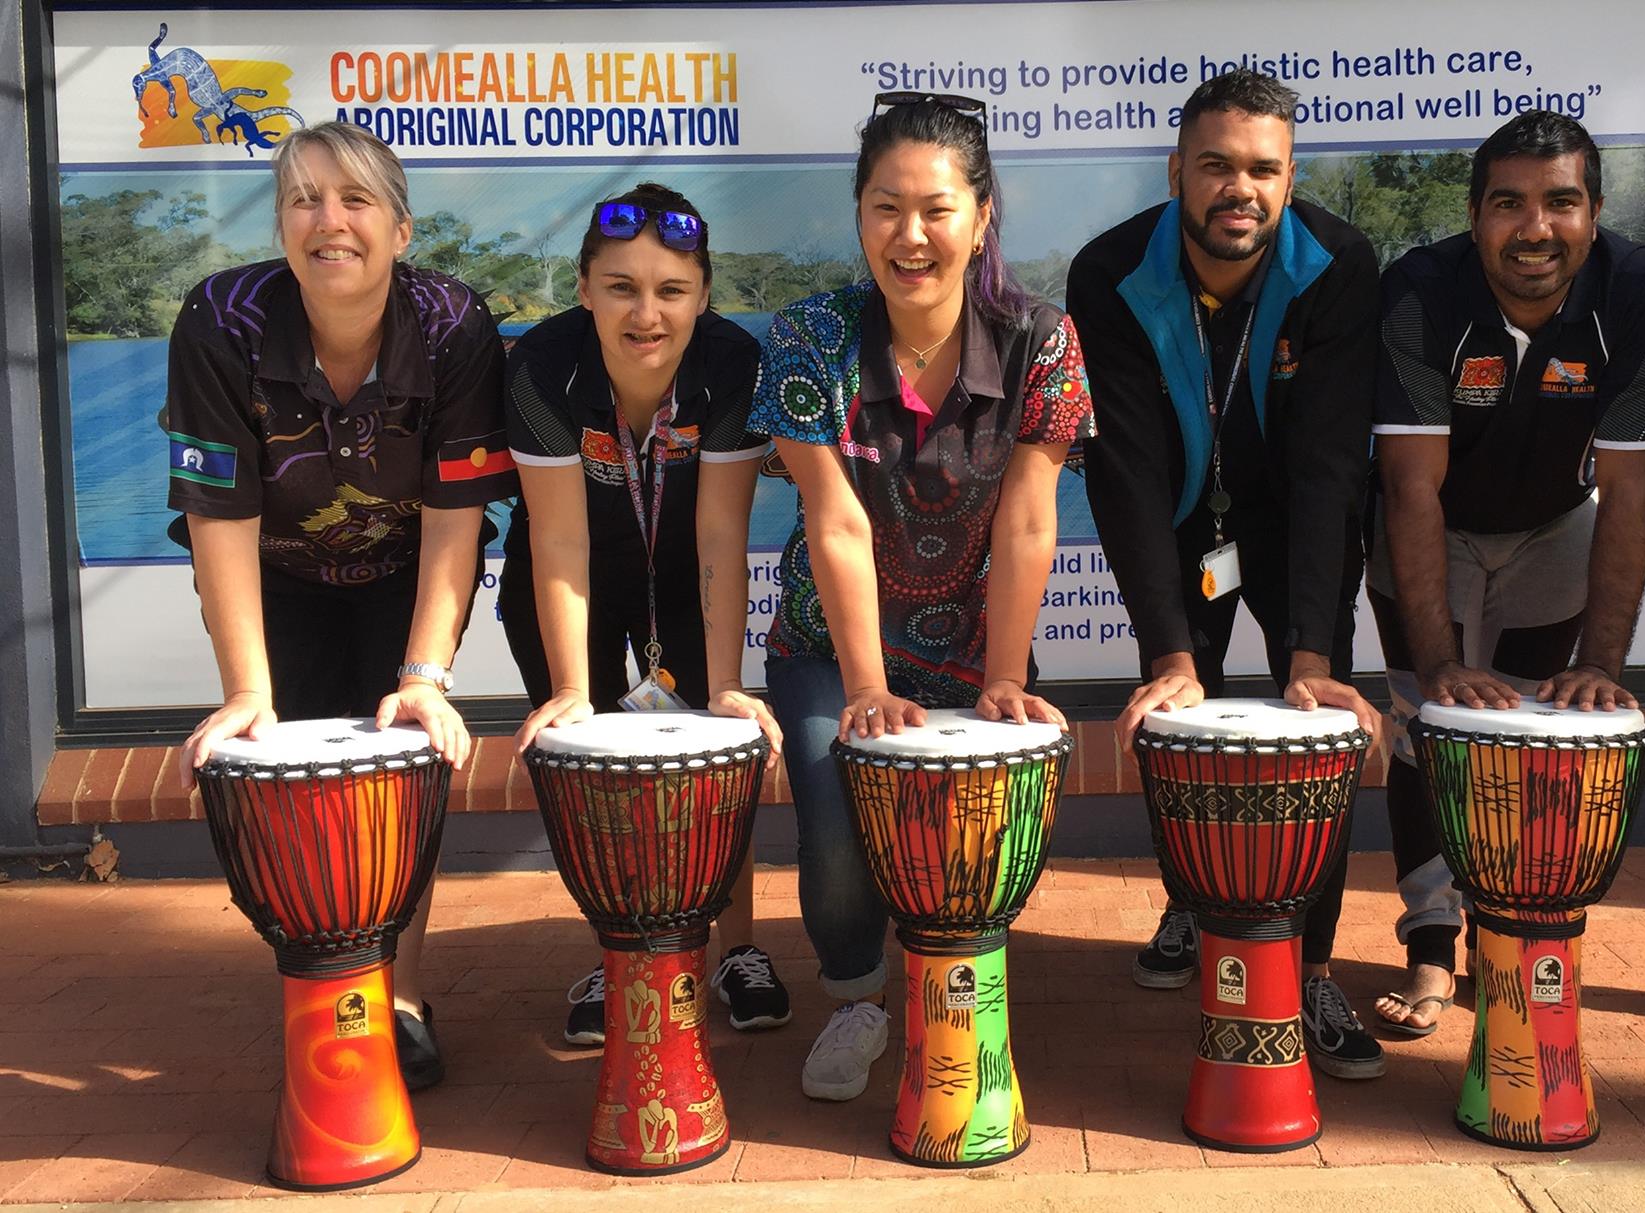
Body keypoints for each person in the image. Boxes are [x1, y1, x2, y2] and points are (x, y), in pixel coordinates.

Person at [749, 91, 1093, 1101]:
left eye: (936, 208)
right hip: (827, 639)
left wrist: (1000, 676)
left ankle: (955, 995)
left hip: (967, 640)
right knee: (835, 819)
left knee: (976, 832)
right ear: (857, 214)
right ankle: (858, 997)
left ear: (981, 215)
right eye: (884, 207)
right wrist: (862, 691)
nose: (910, 235)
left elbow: (1030, 522)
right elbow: (834, 519)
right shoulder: (810, 337)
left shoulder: (1042, 339)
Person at [170, 121, 516, 1090]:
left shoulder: (453, 323)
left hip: (407, 569)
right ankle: (326, 985)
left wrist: (424, 675)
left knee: (402, 777)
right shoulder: (221, 318)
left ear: (399, 229)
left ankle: (400, 999)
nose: (330, 221)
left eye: (355, 199)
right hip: (272, 569)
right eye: (304, 199)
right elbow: (216, 508)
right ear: (281, 225)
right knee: (298, 786)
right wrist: (248, 691)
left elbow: (458, 510)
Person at [1066, 68, 1387, 1080]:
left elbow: (1331, 462)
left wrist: (1310, 653)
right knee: (1173, 718)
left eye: (1260, 169)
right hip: (1178, 526)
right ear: (1175, 173)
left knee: (1315, 726)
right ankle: (1188, 899)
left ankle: (1317, 963)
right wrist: (1167, 649)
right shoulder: (1108, 271)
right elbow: (1120, 469)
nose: (1236, 189)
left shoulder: (1337, 263)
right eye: (1214, 166)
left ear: (1287, 181)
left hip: (1295, 520)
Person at [1368, 110, 1645, 1036]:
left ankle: (1503, 939)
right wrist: (1434, 668)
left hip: (1556, 524)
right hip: (1430, 524)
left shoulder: (1640, 292)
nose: (1534, 227)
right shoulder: (1421, 292)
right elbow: (1410, 487)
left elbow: (1631, 495)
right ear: (1474, 217)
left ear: (1594, 214)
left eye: (1561, 203)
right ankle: (1430, 944)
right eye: (1508, 204)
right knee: (1427, 733)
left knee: (1538, 732)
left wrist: (1604, 662)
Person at [498, 183, 791, 1047]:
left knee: (719, 760)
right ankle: (618, 948)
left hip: (684, 568)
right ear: (584, 287)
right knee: (588, 765)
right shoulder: (542, 368)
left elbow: (718, 532)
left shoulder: (733, 362)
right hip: (568, 576)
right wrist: (569, 690)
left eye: (671, 290)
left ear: (703, 294)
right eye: (621, 286)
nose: (646, 313)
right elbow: (557, 542)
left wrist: (729, 684)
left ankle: (735, 947)